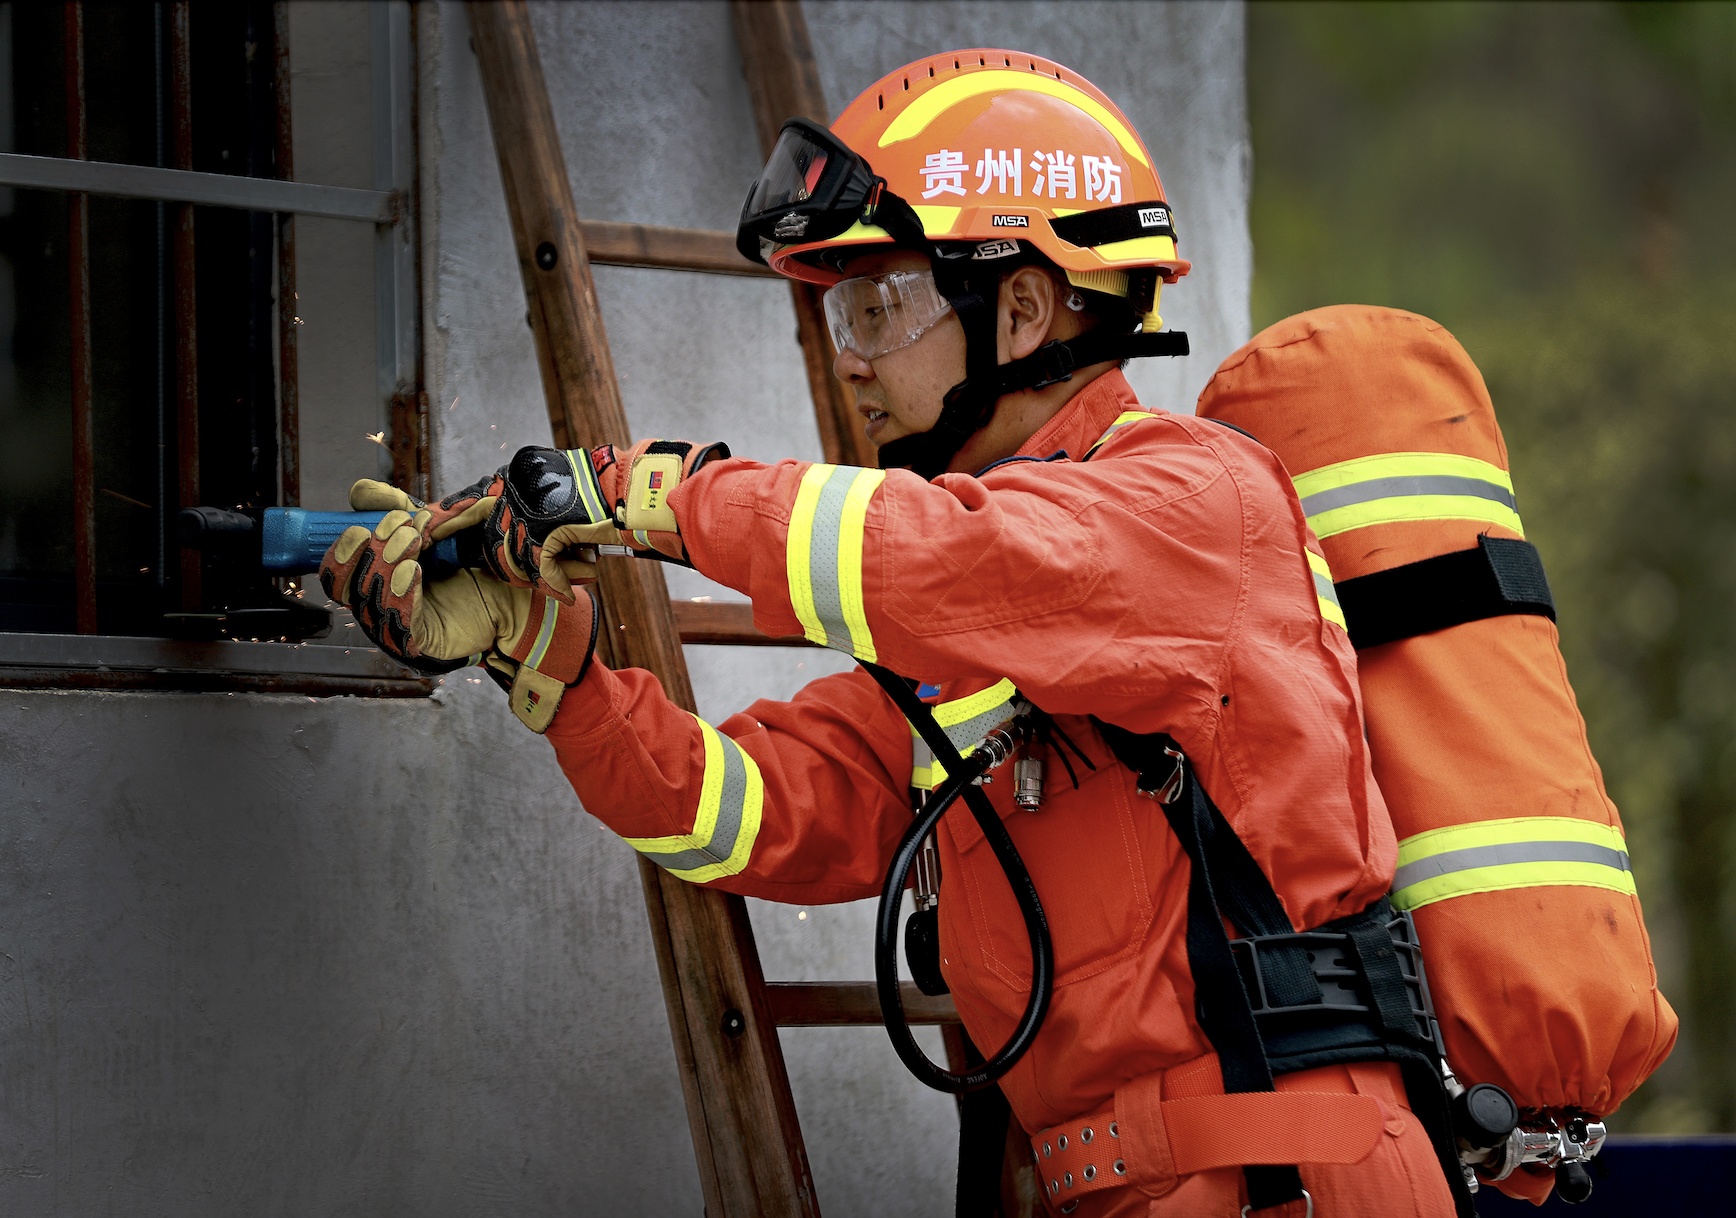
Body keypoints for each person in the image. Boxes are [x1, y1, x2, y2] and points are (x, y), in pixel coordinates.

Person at [321, 51, 1457, 1218]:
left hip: (1286, 1176)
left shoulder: (1185, 498)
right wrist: (557, 675)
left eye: (879, 306)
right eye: (837, 315)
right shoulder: (974, 637)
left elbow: (930, 555)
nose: (849, 356)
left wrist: (634, 493)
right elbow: (749, 813)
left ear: (1020, 309)